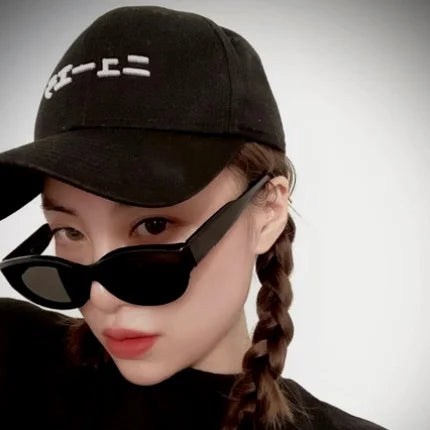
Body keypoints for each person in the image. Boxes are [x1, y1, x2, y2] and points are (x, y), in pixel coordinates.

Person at [0, 5, 388, 430]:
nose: (100, 298)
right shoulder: (12, 354)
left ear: (268, 211)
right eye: (70, 231)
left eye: (154, 225)